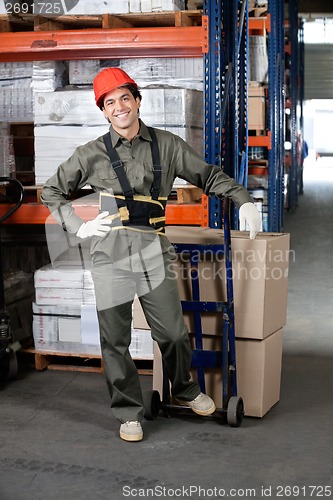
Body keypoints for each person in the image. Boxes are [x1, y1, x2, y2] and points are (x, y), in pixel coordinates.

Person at [41, 67, 261, 442]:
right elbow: (52, 191)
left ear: (137, 101)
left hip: (153, 253)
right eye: (110, 103)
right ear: (104, 111)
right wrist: (76, 225)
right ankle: (128, 412)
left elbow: (207, 176)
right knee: (115, 339)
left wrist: (243, 199)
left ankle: (186, 387)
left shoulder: (168, 145)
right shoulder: (90, 154)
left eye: (125, 98)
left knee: (174, 333)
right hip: (109, 257)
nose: (119, 107)